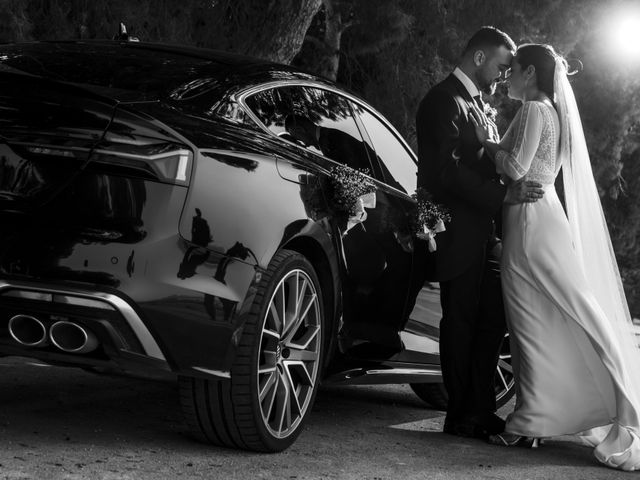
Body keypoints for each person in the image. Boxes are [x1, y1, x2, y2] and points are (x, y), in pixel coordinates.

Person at [470, 43, 640, 471]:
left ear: (529, 73)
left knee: (528, 320)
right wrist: (492, 143)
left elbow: (514, 167)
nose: (507, 78)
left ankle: (530, 422)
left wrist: (486, 146)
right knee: (553, 315)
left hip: (528, 223)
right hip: (545, 217)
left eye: (513, 71)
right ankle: (543, 417)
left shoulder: (533, 111)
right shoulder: (552, 111)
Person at [415, 26, 545, 440]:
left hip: (485, 234)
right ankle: (459, 415)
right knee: (461, 321)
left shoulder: (475, 104)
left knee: (491, 322)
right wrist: (504, 197)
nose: (504, 77)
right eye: (501, 66)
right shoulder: (442, 100)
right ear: (478, 58)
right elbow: (445, 172)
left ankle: (482, 409)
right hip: (457, 233)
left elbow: (485, 159)